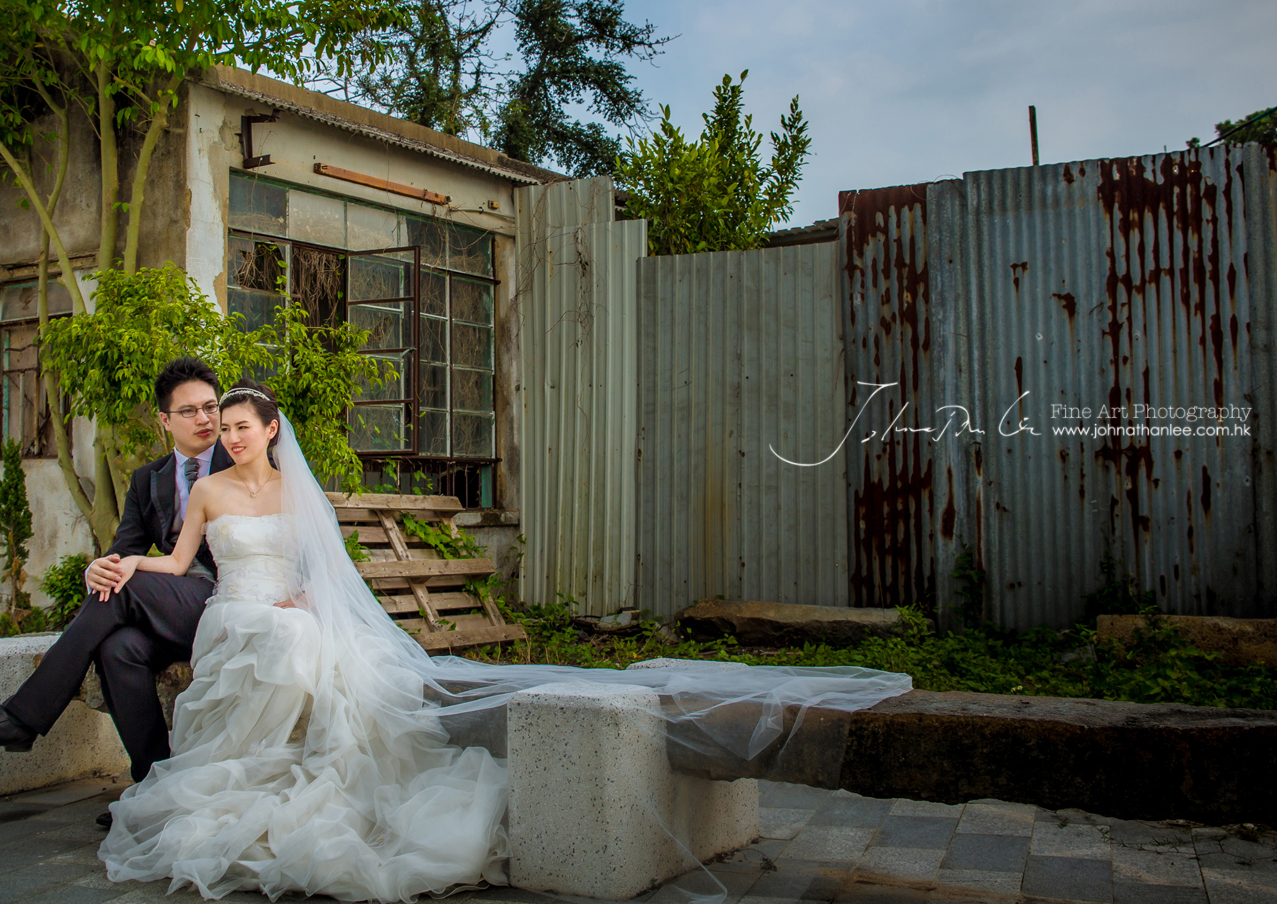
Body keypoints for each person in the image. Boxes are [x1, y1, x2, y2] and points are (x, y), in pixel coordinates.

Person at [96, 382, 914, 902]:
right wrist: (124, 561)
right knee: (272, 639)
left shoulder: (296, 490)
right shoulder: (206, 490)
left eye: (242, 426)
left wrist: (298, 601)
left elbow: (321, 571)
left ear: (272, 428)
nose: (230, 437)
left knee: (298, 639)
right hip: (233, 615)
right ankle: (243, 758)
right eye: (223, 428)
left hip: (285, 612)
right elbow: (176, 561)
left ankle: (289, 758)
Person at [0, 356, 236, 828]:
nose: (205, 419)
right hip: (171, 607)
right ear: (164, 420)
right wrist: (97, 568)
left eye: (211, 407)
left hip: (226, 601)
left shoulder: (241, 458)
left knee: (127, 587)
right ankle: (156, 788)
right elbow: (124, 551)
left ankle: (20, 717)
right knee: (118, 647)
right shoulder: (148, 479)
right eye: (189, 411)